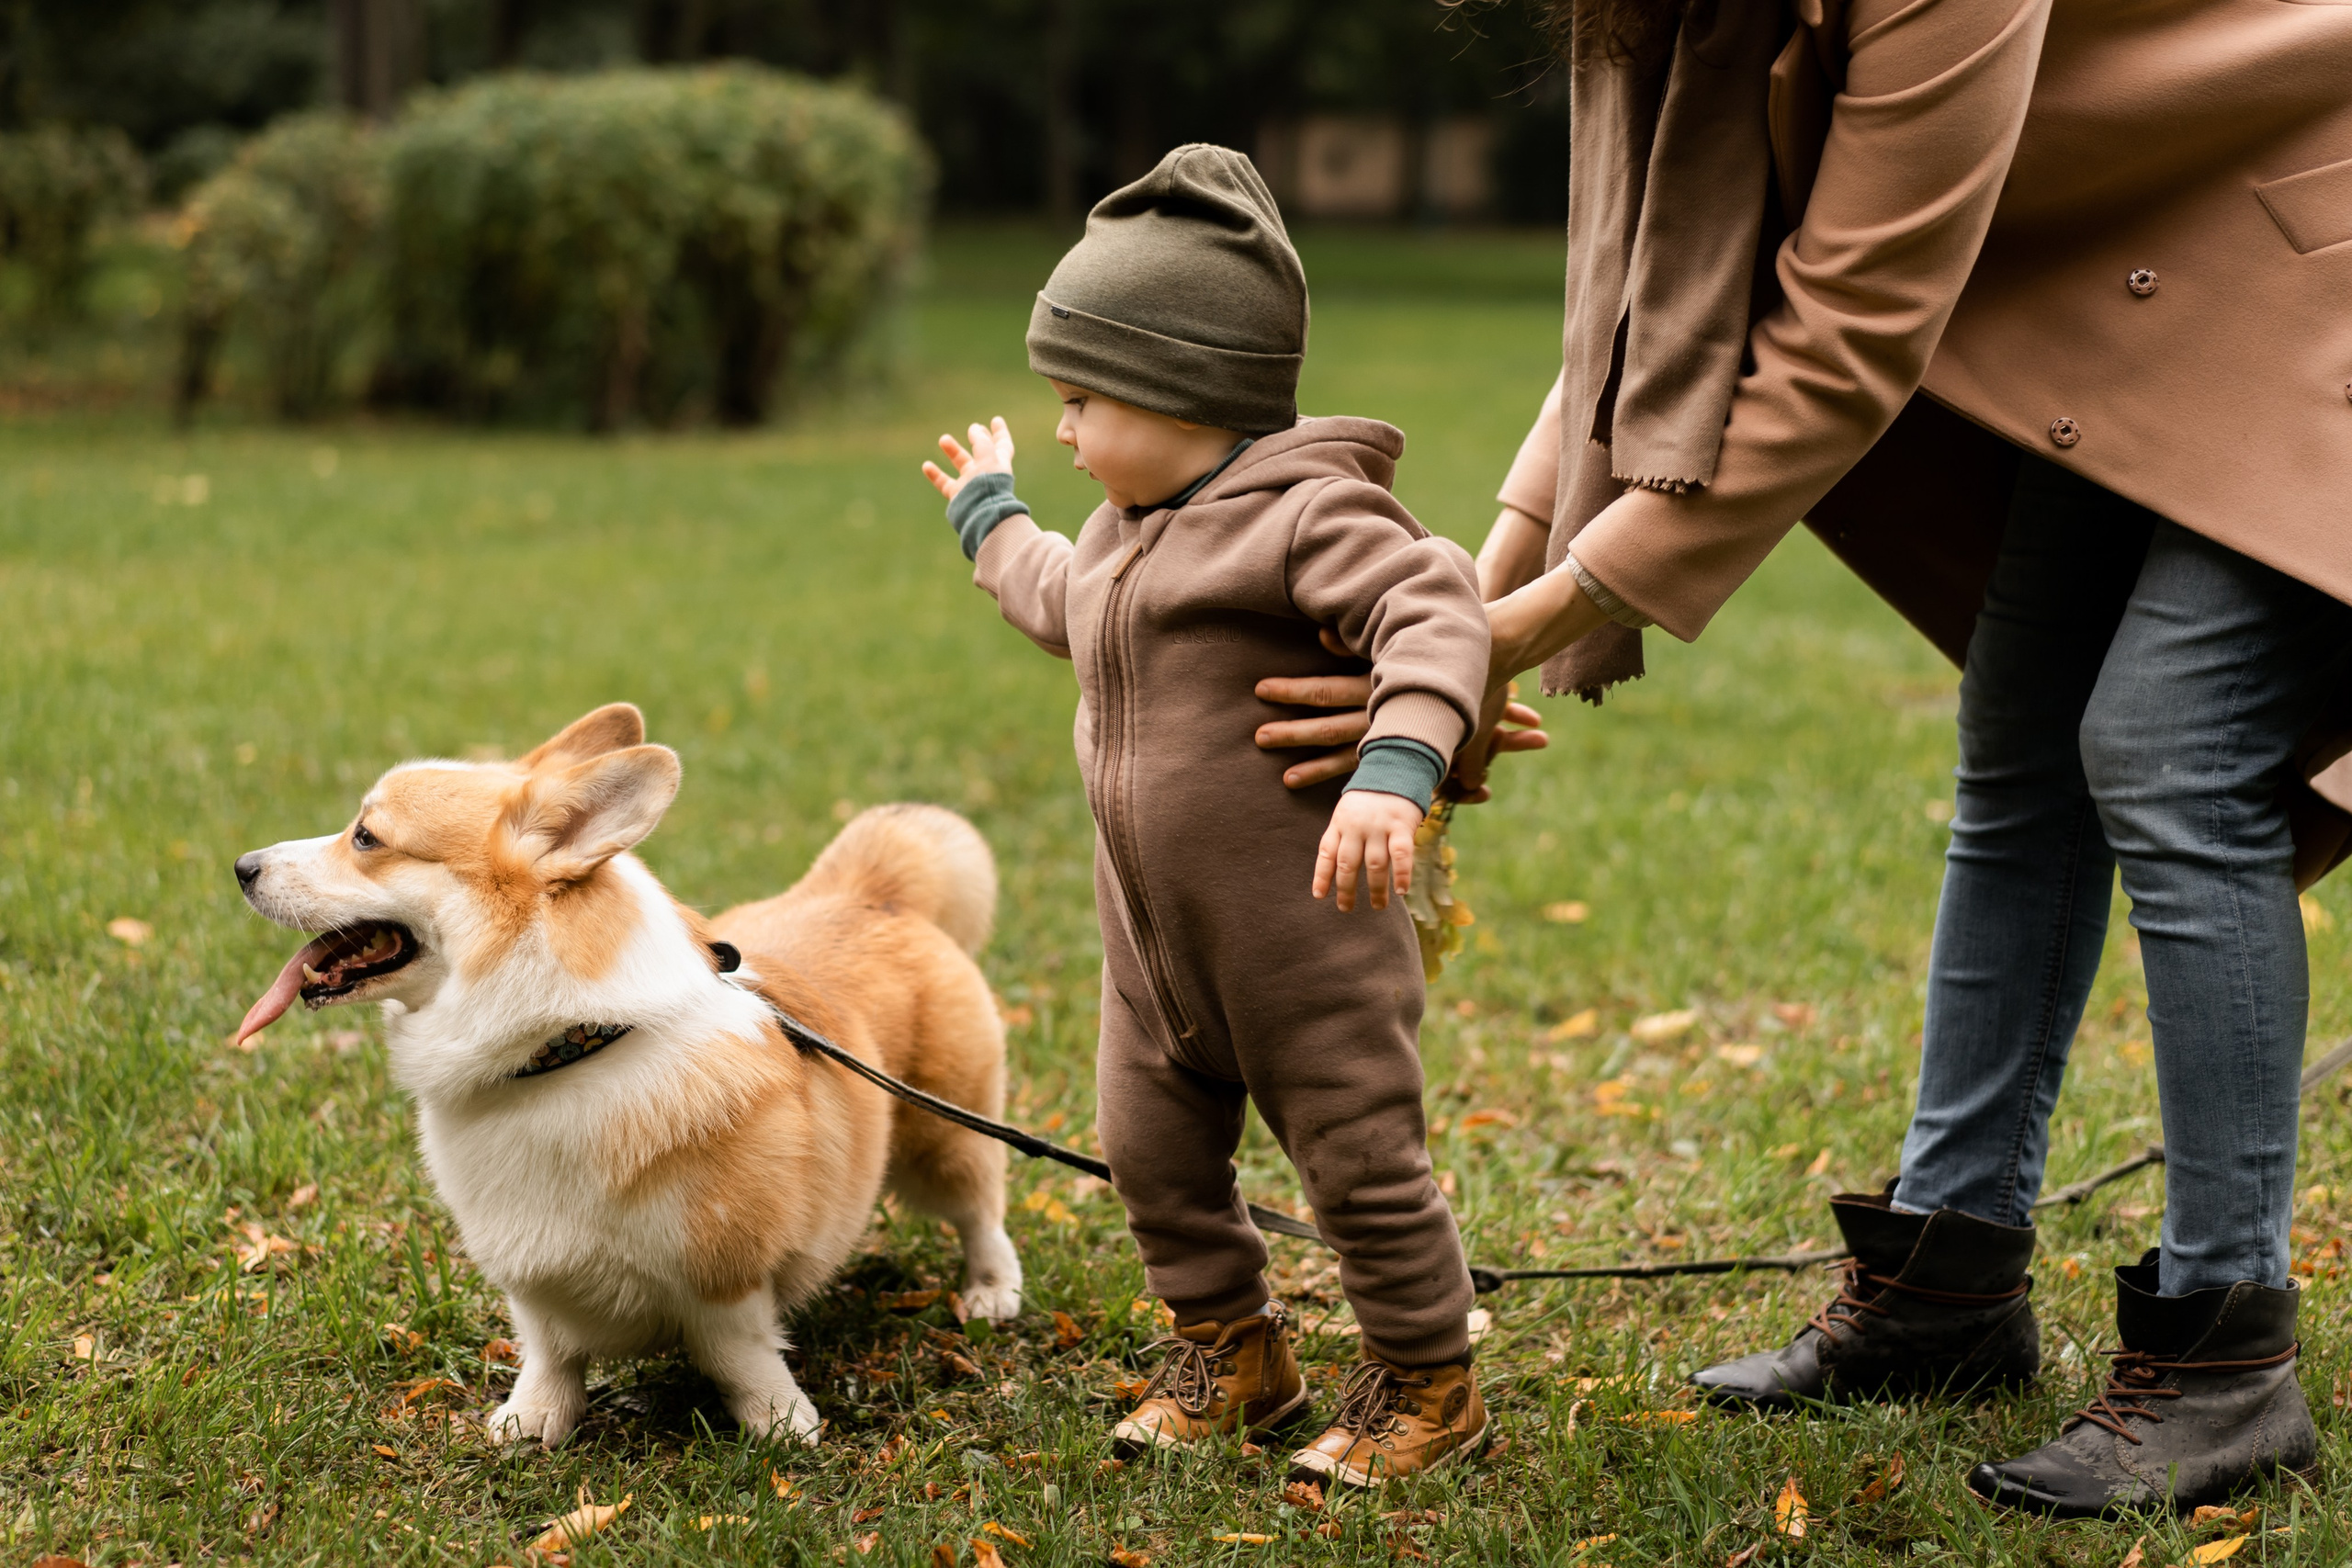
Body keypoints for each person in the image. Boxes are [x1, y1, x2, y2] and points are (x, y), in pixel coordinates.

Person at [1256, 0, 2352, 1519]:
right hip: (2144, 279)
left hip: (2312, 253)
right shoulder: (1649, 10)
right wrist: (1470, 595)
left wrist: (1524, 625)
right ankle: (1947, 1288)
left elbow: (1845, 331)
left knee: (2171, 753)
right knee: (2024, 749)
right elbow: (1645, 297)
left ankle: (2228, 1352)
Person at [920, 144, 1495, 1488]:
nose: (1061, 429)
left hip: (1305, 948)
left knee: (1360, 1167)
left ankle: (1427, 1379)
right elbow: (1061, 598)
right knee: (1149, 1155)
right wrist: (988, 519)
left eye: (1079, 399)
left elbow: (1432, 607)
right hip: (1156, 955)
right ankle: (1233, 1350)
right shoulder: (1124, 528)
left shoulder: (1305, 520)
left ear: (1184, 390)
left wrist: (1399, 765)